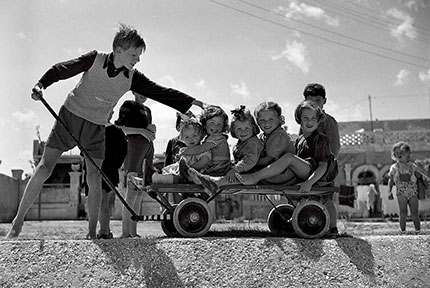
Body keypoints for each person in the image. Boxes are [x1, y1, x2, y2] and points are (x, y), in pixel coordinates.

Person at [6, 23, 205, 239]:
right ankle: (17, 223)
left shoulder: (131, 76)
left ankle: (92, 233)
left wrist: (191, 102)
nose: (137, 59)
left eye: (139, 56)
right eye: (134, 54)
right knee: (44, 168)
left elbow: (159, 92)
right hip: (70, 116)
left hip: (96, 126)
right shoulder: (95, 59)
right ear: (118, 51)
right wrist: (41, 84)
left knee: (94, 176)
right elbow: (62, 69)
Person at [236, 101, 338, 236]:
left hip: (318, 174)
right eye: (305, 118)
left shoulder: (320, 139)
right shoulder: (301, 138)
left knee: (289, 158)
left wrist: (310, 182)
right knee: (309, 195)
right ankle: (299, 218)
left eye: (313, 118)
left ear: (319, 121)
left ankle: (333, 228)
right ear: (299, 119)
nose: (309, 121)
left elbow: (323, 165)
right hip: (306, 172)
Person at [183, 105, 263, 194]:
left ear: (253, 127)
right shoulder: (244, 141)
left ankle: (209, 181)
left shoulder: (251, 143)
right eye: (239, 129)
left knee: (225, 180)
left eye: (219, 124)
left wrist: (185, 152)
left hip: (230, 170)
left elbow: (249, 160)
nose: (243, 132)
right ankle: (195, 176)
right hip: (224, 168)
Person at [116, 92, 155, 238]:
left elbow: (149, 134)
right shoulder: (128, 105)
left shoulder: (148, 110)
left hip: (147, 149)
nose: (142, 94)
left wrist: (151, 131)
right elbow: (121, 128)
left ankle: (133, 231)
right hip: (134, 148)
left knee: (139, 193)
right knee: (132, 192)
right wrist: (142, 131)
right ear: (133, 91)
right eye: (139, 90)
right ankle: (125, 232)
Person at [150, 118, 211, 184]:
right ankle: (152, 177)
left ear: (201, 136)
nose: (191, 139)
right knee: (169, 172)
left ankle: (154, 179)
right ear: (182, 139)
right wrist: (179, 159)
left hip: (194, 176)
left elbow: (204, 161)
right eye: (187, 137)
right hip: (182, 174)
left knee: (176, 178)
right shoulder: (184, 150)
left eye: (195, 136)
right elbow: (180, 162)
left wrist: (190, 169)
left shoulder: (202, 150)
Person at [388, 142, 429, 234]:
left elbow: (418, 175)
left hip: (413, 191)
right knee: (403, 212)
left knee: (415, 213)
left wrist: (423, 178)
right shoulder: (394, 167)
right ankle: (403, 231)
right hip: (401, 192)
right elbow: (391, 180)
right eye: (397, 153)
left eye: (401, 152)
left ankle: (418, 231)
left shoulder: (412, 166)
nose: (399, 155)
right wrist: (389, 191)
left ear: (408, 154)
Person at [98, 111, 128, 239]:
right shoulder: (117, 131)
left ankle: (103, 230)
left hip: (98, 169)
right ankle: (104, 230)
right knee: (105, 201)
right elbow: (123, 151)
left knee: (100, 201)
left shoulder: (93, 129)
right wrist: (115, 165)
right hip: (109, 169)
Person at [180, 105, 231, 177]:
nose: (215, 126)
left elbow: (201, 149)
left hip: (220, 169)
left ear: (223, 126)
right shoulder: (209, 137)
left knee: (201, 163)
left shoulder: (218, 138)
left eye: (219, 124)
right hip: (215, 168)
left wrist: (185, 152)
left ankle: (190, 169)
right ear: (205, 124)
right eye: (212, 123)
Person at [254, 101, 295, 169]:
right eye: (262, 120)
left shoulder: (279, 135)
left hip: (283, 172)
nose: (266, 124)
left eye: (271, 119)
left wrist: (249, 164)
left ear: (279, 119)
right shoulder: (263, 136)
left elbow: (268, 160)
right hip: (270, 168)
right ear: (257, 122)